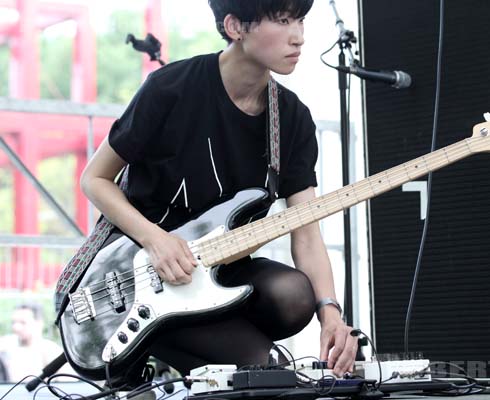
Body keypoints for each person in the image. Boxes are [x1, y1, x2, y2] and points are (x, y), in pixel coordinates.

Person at [77, 0, 357, 380]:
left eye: (301, 20)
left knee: (295, 295)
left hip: (219, 274)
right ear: (235, 27)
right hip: (140, 274)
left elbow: (306, 234)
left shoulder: (292, 119)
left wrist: (332, 316)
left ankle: (210, 333)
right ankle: (165, 335)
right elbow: (94, 179)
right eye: (283, 20)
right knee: (262, 372)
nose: (299, 37)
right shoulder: (170, 88)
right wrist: (155, 240)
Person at [0, 303, 63, 382]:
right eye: (13, 322)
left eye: (23, 322)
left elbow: (66, 384)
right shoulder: (6, 346)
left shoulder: (52, 351)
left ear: (39, 323)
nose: (16, 327)